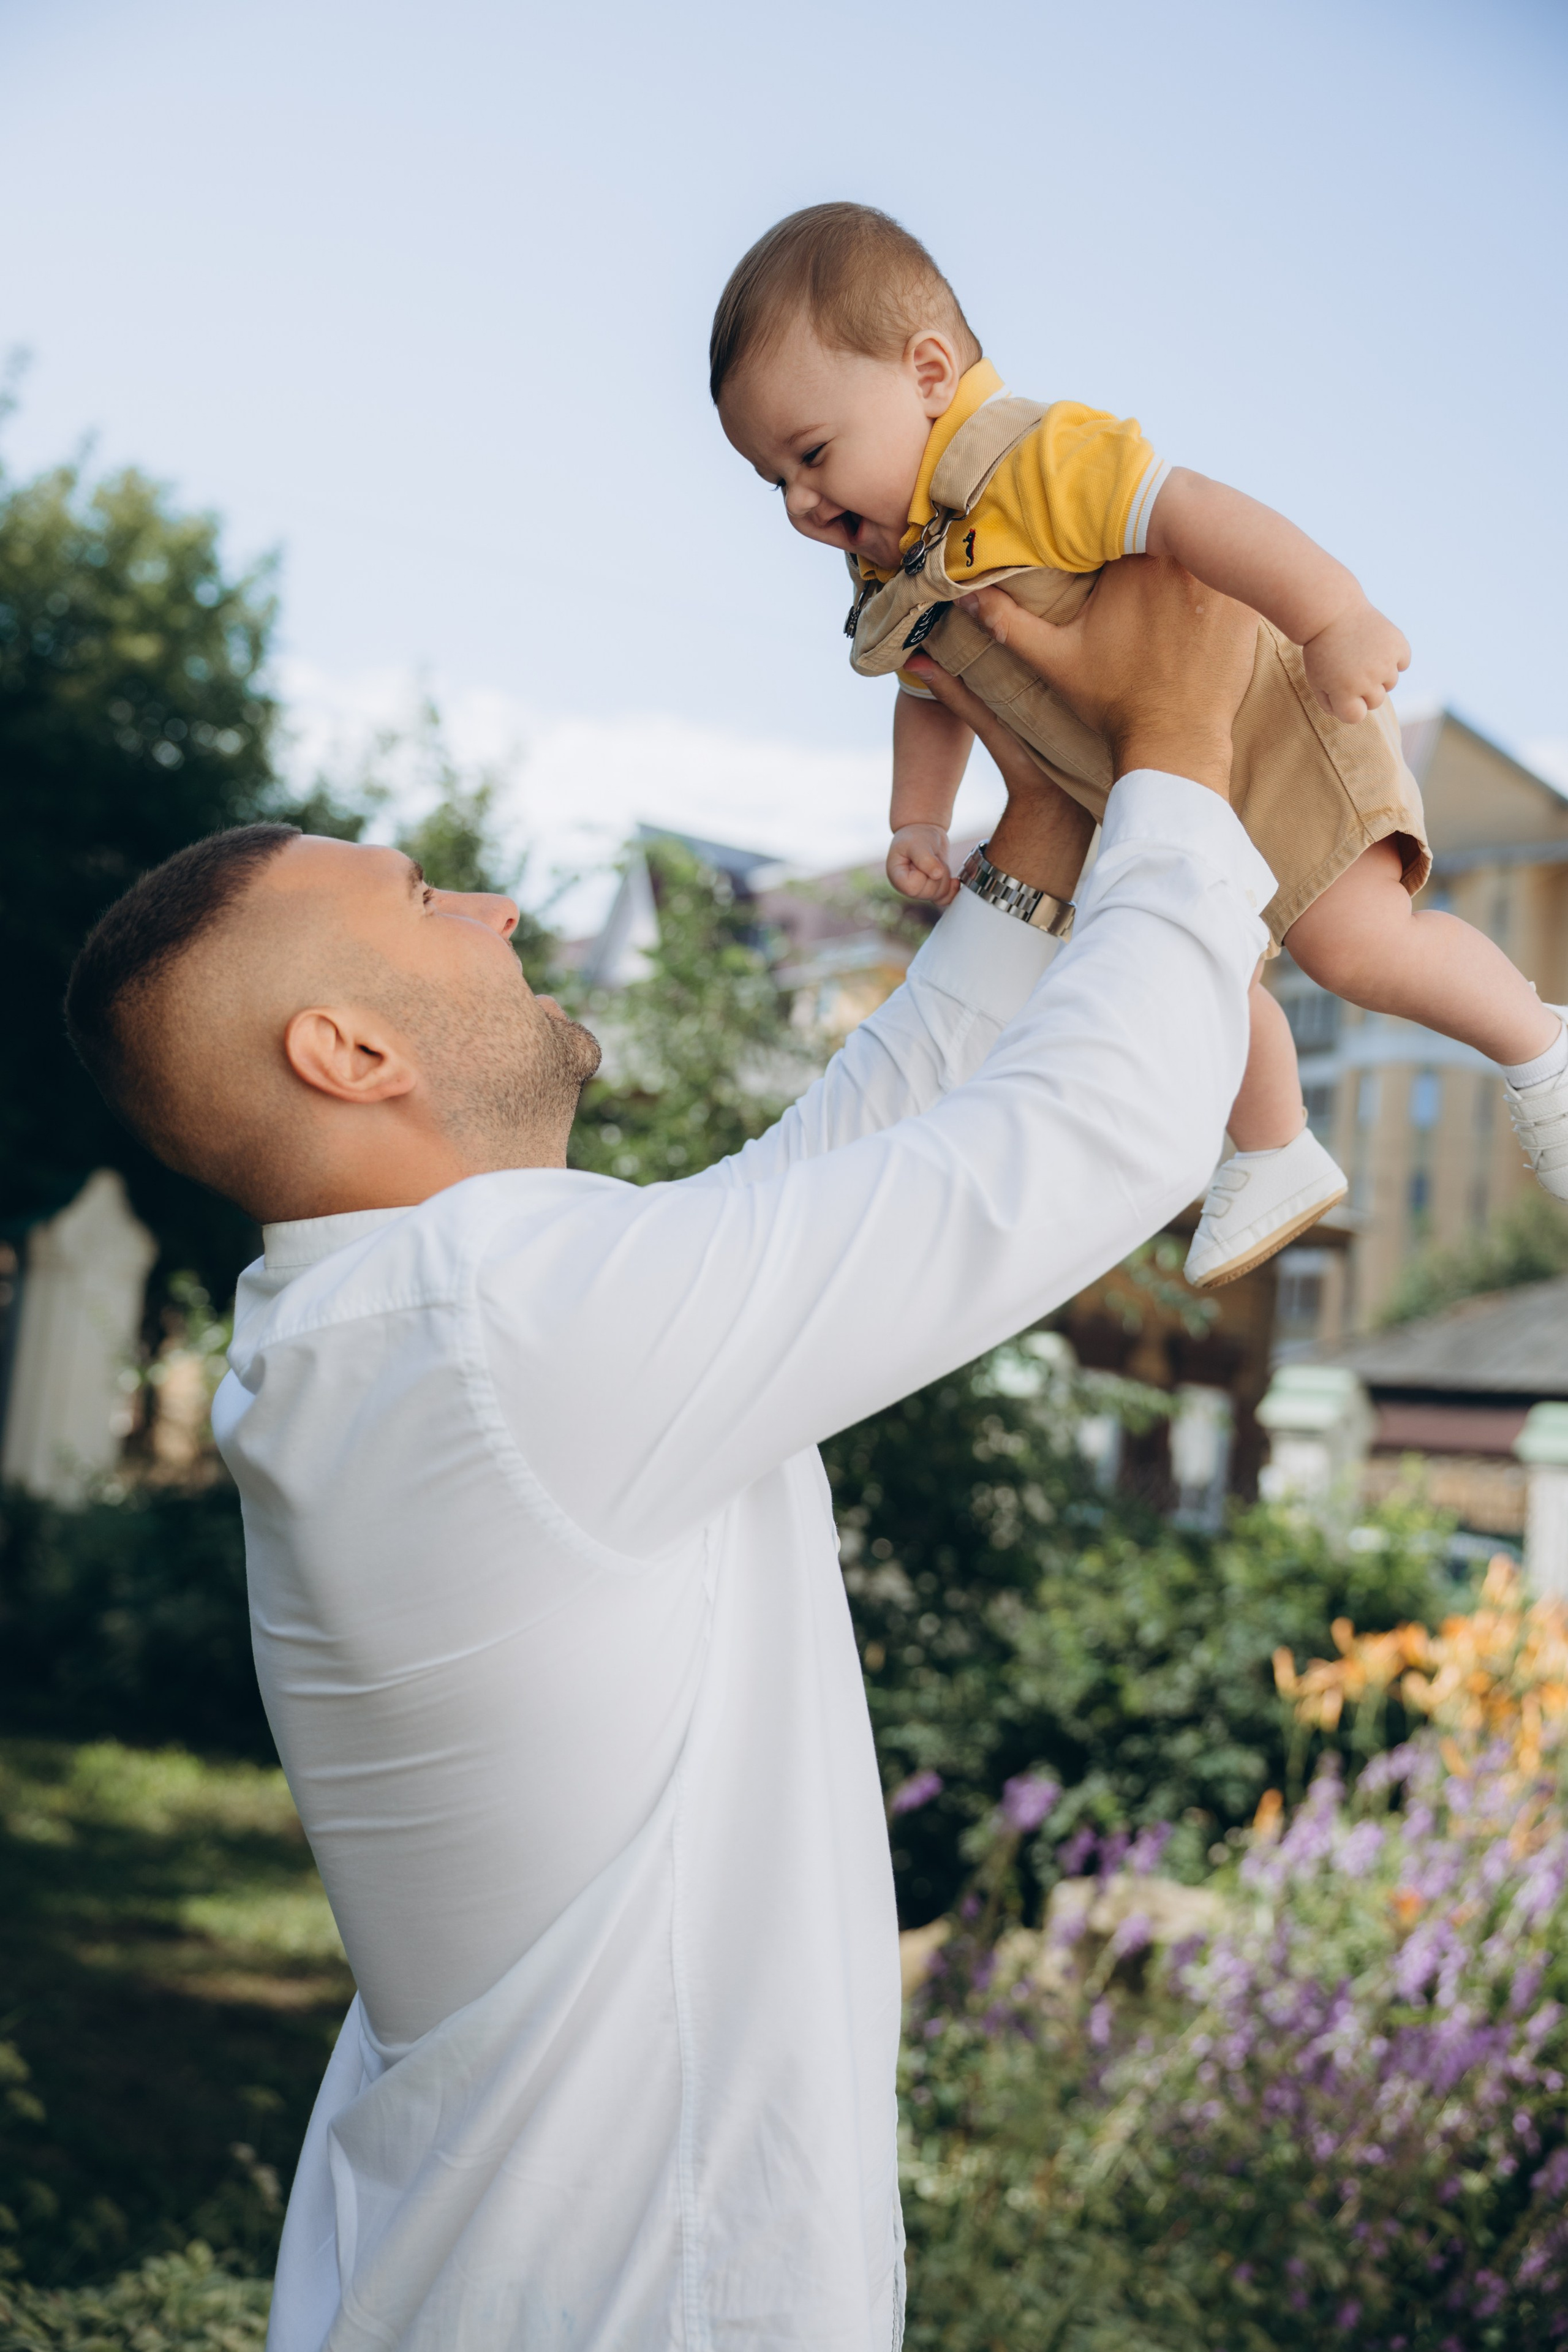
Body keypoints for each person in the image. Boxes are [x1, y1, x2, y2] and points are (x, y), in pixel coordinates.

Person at [67, 554, 1267, 2351]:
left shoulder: (398, 1328)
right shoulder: (487, 1330)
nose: (492, 904)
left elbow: (814, 1184)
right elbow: (1081, 1150)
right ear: (348, 1047)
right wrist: (1177, 753)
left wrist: (1034, 851)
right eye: (422, 900)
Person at [711, 202, 1568, 1289]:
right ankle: (1272, 1148)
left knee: (1355, 946)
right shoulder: (895, 566)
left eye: (812, 454)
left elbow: (1189, 515)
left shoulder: (1029, 461)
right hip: (1149, 789)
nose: (798, 500)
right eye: (771, 479)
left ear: (930, 374)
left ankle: (1540, 1048)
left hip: (1270, 737)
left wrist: (1332, 615)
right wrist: (916, 817)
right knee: (1190, 959)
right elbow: (928, 694)